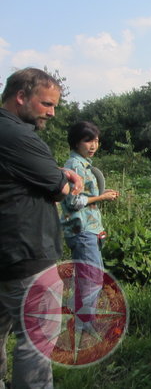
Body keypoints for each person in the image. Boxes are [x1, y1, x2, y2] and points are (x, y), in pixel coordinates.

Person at [0, 68, 83, 388]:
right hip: (27, 252)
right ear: (21, 97)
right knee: (36, 340)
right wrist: (64, 178)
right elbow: (60, 190)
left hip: (5, 254)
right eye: (46, 104)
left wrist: (56, 172)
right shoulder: (20, 136)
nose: (52, 112)